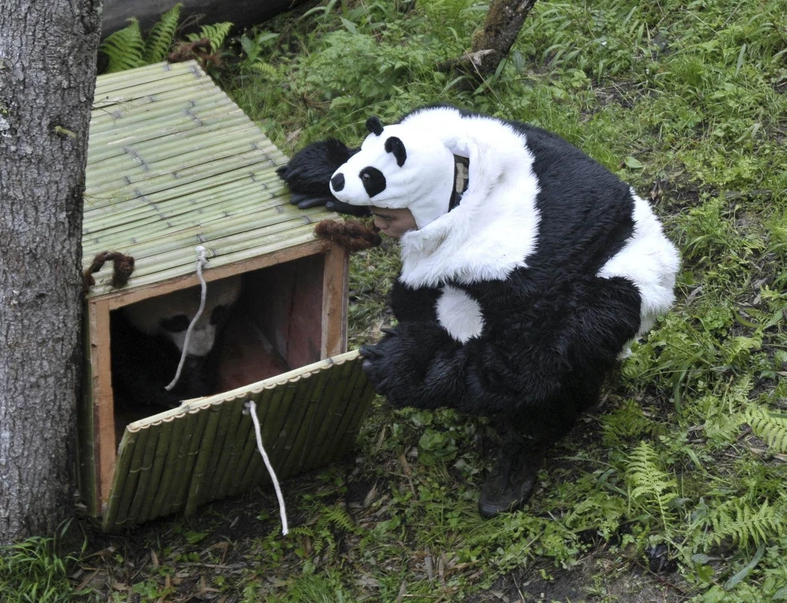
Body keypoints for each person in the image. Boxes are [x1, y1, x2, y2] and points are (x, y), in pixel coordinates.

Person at [279, 105, 679, 516]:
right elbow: (399, 161)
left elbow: (525, 368)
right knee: (420, 302)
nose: (377, 226)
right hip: (553, 244)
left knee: (568, 347)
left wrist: (427, 374)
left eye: (385, 217)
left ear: (428, 202)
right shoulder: (444, 138)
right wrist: (345, 180)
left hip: (612, 271)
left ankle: (539, 429)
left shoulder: (514, 262)